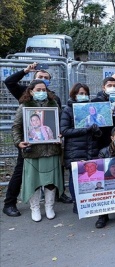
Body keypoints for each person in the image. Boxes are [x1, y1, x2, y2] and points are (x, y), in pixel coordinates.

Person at [3, 64, 73, 216]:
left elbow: (58, 122)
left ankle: (56, 198)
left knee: (52, 173)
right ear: (32, 85)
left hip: (49, 145)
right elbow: (9, 82)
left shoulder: (54, 99)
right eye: (40, 78)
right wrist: (25, 71)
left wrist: (59, 134)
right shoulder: (24, 97)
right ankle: (9, 203)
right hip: (30, 146)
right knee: (22, 172)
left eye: (46, 79)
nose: (43, 81)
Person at [12, 80, 63, 222]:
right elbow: (16, 127)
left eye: (44, 89)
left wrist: (60, 135)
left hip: (52, 151)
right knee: (33, 180)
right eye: (38, 89)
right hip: (32, 152)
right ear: (31, 91)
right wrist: (18, 142)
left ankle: (49, 207)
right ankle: (35, 208)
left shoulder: (54, 106)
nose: (42, 92)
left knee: (50, 181)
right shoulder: (24, 107)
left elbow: (61, 125)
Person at [61, 83, 103, 213]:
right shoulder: (68, 110)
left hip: (91, 148)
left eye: (85, 93)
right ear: (74, 95)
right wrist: (85, 130)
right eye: (80, 93)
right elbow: (65, 131)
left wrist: (96, 131)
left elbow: (98, 133)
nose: (83, 96)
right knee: (75, 177)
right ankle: (76, 203)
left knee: (90, 176)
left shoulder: (93, 109)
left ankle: (89, 202)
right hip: (75, 149)